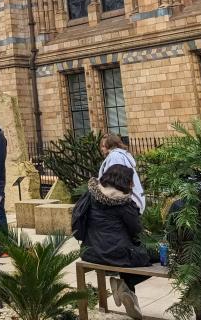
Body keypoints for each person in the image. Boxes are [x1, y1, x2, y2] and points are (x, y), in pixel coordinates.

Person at [72, 164, 150, 320]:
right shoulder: (123, 202)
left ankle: (127, 293)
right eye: (131, 181)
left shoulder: (90, 195)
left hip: (90, 252)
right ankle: (125, 286)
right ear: (124, 181)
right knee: (152, 255)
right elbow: (136, 230)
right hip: (115, 254)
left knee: (128, 253)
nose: (132, 185)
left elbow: (77, 221)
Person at [99, 134, 145, 213]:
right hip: (127, 202)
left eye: (104, 146)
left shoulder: (115, 156)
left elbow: (117, 181)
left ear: (111, 145)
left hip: (126, 203)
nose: (101, 149)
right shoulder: (118, 155)